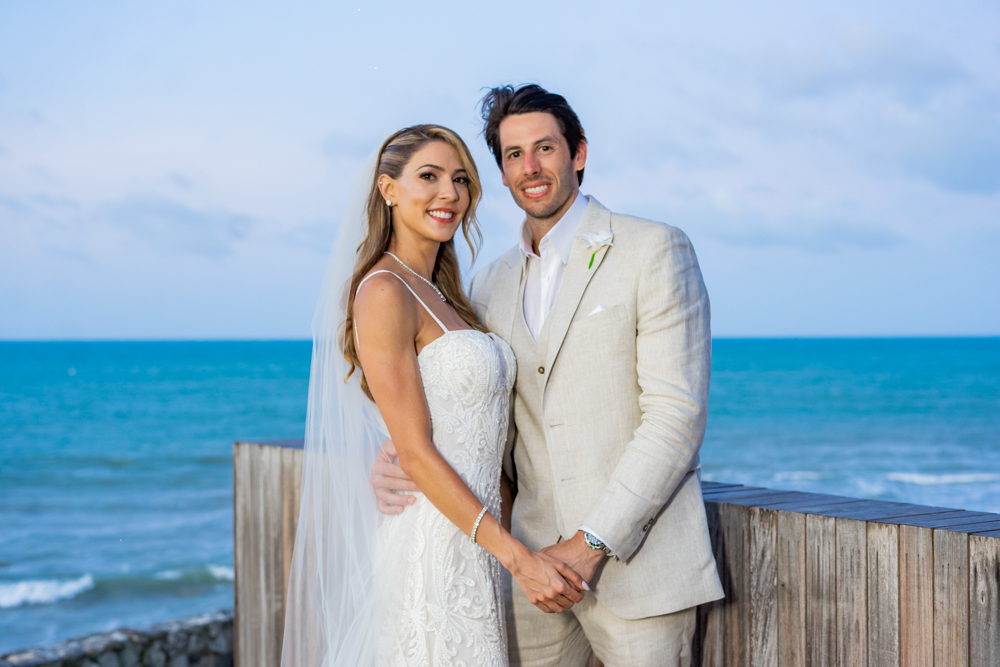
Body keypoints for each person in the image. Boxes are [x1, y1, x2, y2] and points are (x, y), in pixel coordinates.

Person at [371, 86, 724, 667]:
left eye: (544, 148)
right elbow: (478, 409)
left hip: (640, 569)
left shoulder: (653, 249)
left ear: (578, 153)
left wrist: (591, 545)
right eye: (513, 155)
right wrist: (397, 455)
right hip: (527, 574)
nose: (530, 167)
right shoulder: (487, 285)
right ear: (503, 173)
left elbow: (676, 418)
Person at [281, 124, 586, 667]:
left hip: (478, 546)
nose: (449, 193)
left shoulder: (448, 296)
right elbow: (416, 451)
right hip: (434, 548)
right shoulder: (382, 291)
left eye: (461, 180)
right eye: (429, 176)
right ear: (387, 188)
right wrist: (520, 560)